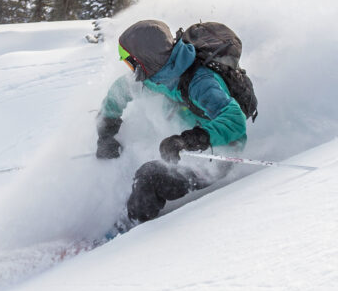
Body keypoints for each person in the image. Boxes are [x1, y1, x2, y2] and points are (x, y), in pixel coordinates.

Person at [96, 19, 248, 224]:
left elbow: (235, 119)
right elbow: (118, 92)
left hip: (220, 151)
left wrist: (187, 140)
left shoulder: (201, 82)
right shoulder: (153, 75)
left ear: (144, 59)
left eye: (128, 60)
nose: (129, 68)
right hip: (186, 138)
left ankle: (131, 229)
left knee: (150, 177)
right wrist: (106, 131)